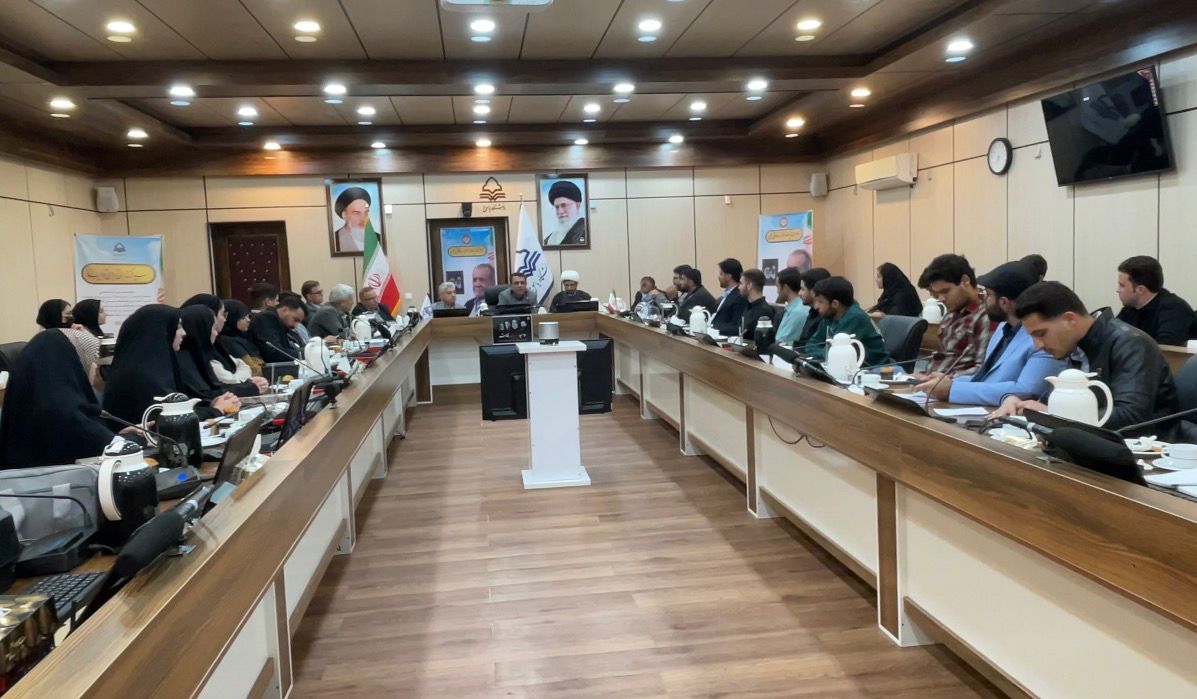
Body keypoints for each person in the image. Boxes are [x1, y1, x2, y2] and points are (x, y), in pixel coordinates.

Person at [990, 281, 1180, 434]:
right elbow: (1046, 403)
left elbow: (1131, 417)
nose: (1038, 345)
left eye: (1041, 334)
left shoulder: (1132, 343)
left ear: (1070, 320)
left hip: (1149, 452)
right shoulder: (1074, 345)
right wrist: (1017, 401)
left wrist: (1054, 415)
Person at [916, 261, 1064, 405]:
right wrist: (948, 382)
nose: (984, 300)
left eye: (988, 294)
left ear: (1004, 302)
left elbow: (1026, 391)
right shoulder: (1002, 328)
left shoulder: (1042, 340)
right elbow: (984, 378)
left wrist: (952, 390)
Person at [0, 329, 121, 468]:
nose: (94, 368)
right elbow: (83, 433)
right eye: (91, 361)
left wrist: (117, 435)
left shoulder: (41, 400)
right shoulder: (58, 413)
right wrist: (118, 441)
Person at [103, 305, 238, 424]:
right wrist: (215, 410)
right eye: (178, 327)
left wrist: (211, 405)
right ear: (160, 331)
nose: (184, 333)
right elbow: (166, 420)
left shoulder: (156, 366)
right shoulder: (140, 375)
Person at [917, 254, 993, 375]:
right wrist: (921, 376)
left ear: (965, 281)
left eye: (945, 291)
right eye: (937, 294)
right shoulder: (953, 311)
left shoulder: (986, 315)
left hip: (952, 383)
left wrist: (943, 380)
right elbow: (942, 358)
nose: (941, 298)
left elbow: (981, 370)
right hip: (930, 380)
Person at [178, 306, 264, 399]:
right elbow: (206, 394)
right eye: (213, 328)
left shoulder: (206, 352)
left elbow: (242, 365)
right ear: (201, 329)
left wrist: (248, 384)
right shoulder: (185, 359)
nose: (216, 333)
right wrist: (248, 387)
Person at [803, 277, 892, 366]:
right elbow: (811, 344)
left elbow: (836, 353)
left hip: (876, 369)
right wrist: (824, 352)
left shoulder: (855, 317)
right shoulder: (829, 315)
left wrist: (822, 352)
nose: (816, 306)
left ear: (835, 303)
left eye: (820, 302)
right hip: (849, 367)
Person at [1114, 255, 1197, 346]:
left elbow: (1166, 348)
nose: (1118, 290)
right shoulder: (1130, 307)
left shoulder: (1173, 309)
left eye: (1122, 285)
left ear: (1140, 290)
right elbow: (1111, 335)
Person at [249, 295, 306, 363]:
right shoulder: (267, 318)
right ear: (285, 310)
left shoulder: (280, 323)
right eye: (295, 319)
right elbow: (274, 353)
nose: (295, 326)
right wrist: (306, 354)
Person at [218, 299, 263, 374]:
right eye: (243, 318)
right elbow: (252, 369)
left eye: (248, 316)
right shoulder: (228, 341)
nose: (248, 320)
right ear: (231, 319)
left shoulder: (242, 337)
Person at [543, 180, 587, 247]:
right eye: (557, 207)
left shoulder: (586, 231)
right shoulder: (548, 240)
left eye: (564, 205)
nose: (560, 211)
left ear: (577, 205)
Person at [712, 258, 748, 335]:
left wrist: (713, 329)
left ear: (728, 276)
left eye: (721, 274)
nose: (719, 277)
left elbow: (735, 326)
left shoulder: (739, 297)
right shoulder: (726, 295)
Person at [773, 268, 809, 345]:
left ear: (785, 288)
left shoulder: (797, 312)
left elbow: (781, 343)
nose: (777, 292)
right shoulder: (793, 308)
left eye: (777, 287)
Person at [796, 268, 832, 345]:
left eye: (802, 289)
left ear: (813, 292)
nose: (799, 293)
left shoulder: (825, 315)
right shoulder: (812, 313)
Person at [737, 269, 776, 341]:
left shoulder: (764, 312)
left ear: (749, 285)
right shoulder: (748, 306)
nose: (739, 287)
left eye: (741, 284)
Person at [333, 186, 371, 253]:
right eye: (357, 213)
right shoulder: (335, 239)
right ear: (344, 214)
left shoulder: (378, 238)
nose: (363, 219)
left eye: (366, 212)